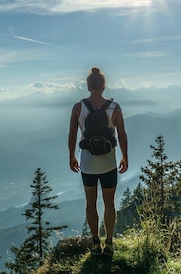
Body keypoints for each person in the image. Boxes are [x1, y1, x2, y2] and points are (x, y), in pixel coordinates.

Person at [68, 67, 128, 257]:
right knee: (109, 203)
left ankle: (95, 243)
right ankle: (109, 242)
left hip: (87, 163)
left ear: (88, 86)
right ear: (103, 85)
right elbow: (122, 135)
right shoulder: (114, 107)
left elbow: (72, 134)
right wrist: (125, 156)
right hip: (109, 163)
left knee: (90, 202)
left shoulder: (79, 107)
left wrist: (72, 156)